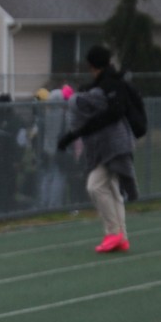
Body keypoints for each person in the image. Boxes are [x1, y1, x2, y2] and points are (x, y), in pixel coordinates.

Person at [57, 45, 139, 253]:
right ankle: (121, 236)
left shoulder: (108, 86)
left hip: (114, 146)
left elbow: (108, 114)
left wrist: (74, 134)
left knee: (95, 186)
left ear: (93, 66)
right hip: (114, 145)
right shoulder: (107, 84)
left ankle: (113, 233)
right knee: (112, 189)